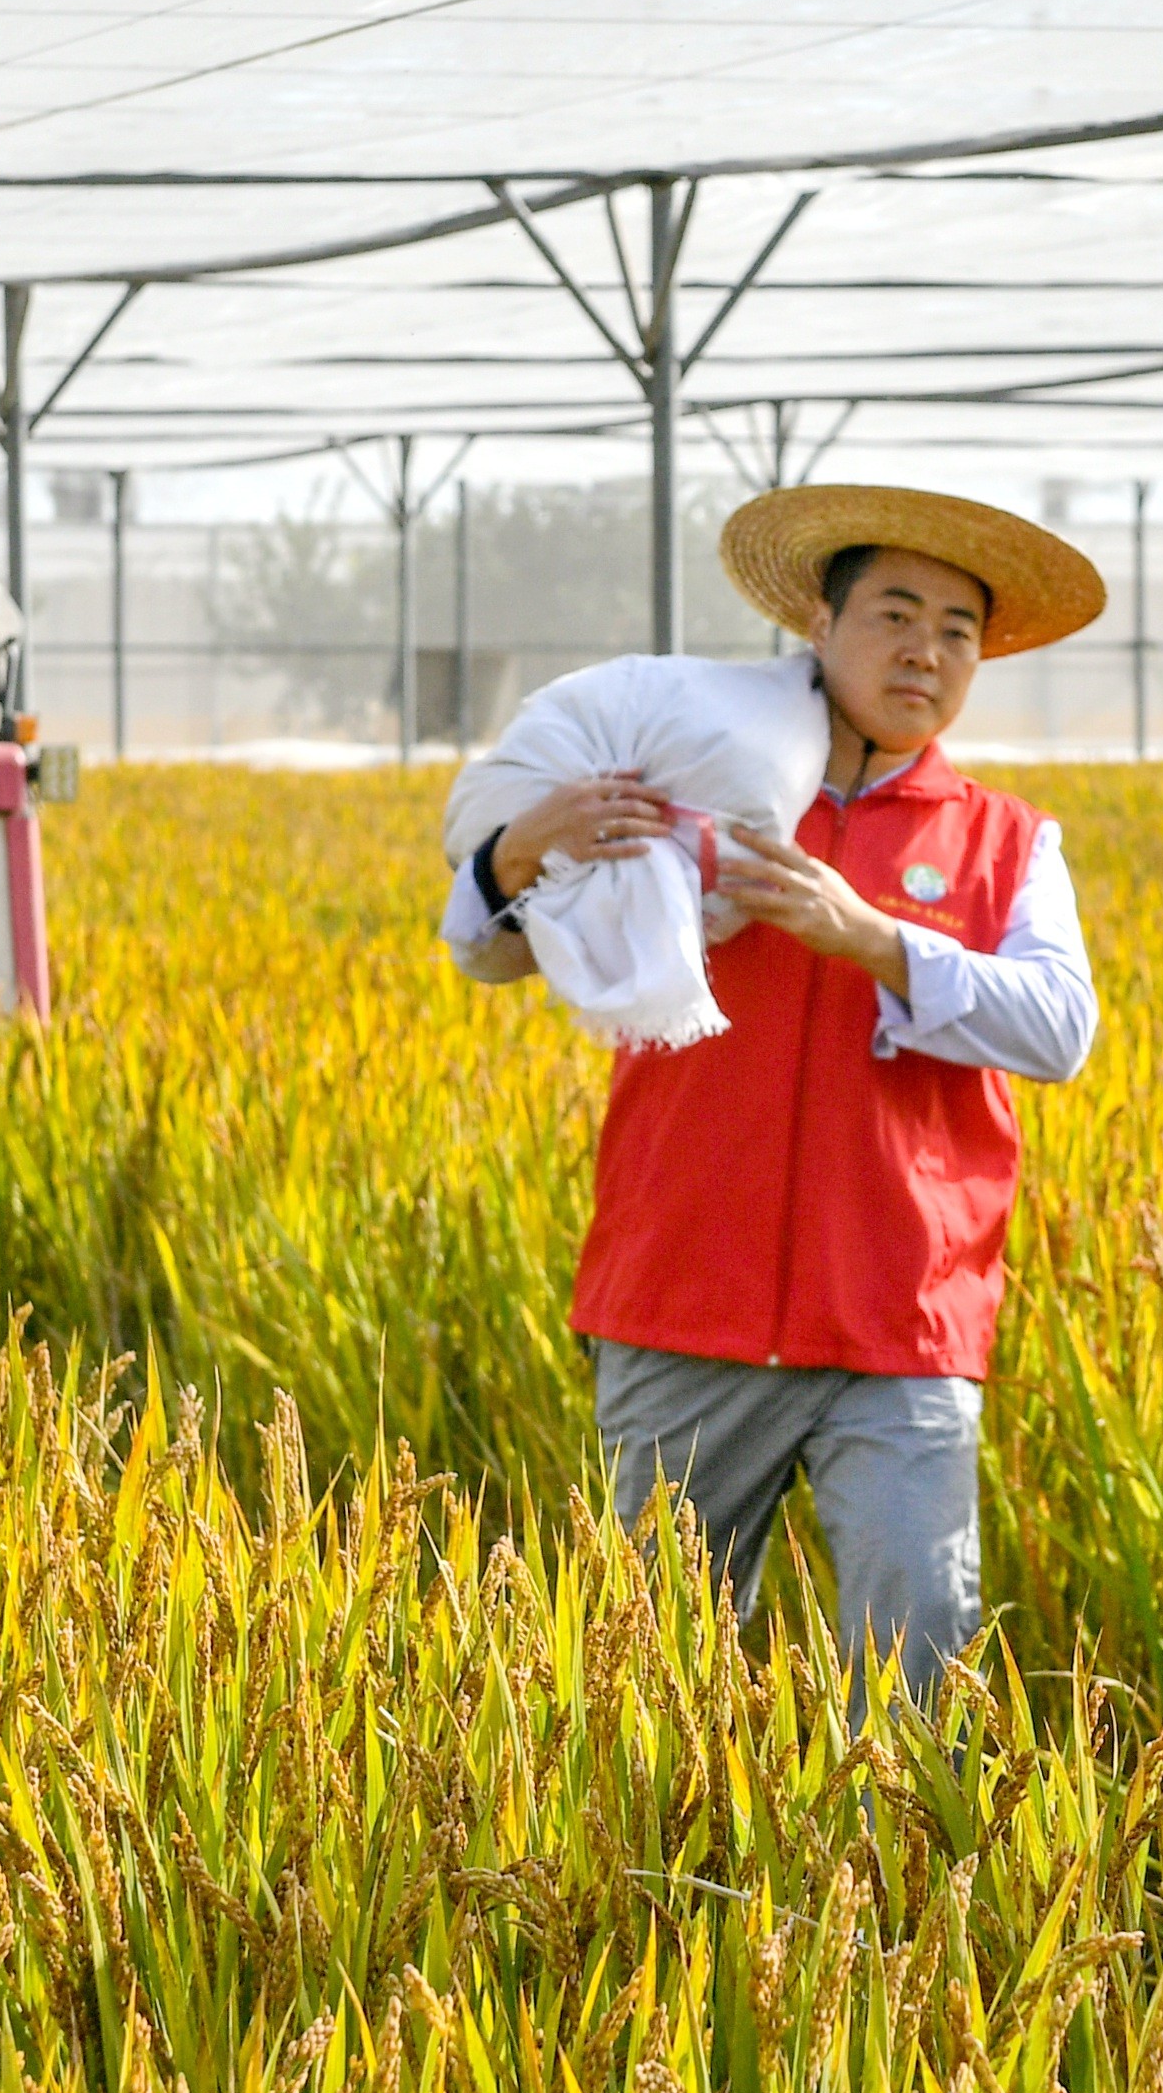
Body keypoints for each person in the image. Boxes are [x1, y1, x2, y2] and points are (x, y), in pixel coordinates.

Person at [443, 487, 1109, 1694]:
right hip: (683, 1303)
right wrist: (521, 844)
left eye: (957, 629)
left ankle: (899, 1888)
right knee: (646, 1687)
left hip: (901, 1322)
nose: (924, 650)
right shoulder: (699, 792)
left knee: (915, 1678)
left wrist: (874, 938)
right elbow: (491, 950)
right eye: (894, 612)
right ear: (819, 618)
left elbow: (1062, 1028)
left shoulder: (1005, 841)